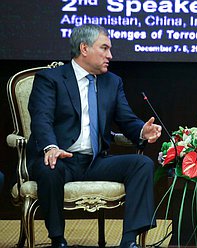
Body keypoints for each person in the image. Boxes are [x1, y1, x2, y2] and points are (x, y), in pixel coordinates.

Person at [27, 24, 162, 248]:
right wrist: (51, 147)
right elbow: (41, 119)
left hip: (94, 161)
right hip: (61, 159)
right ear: (84, 48)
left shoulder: (112, 81)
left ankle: (129, 241)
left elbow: (127, 119)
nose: (110, 55)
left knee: (142, 164)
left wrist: (142, 130)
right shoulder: (50, 79)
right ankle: (58, 240)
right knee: (49, 168)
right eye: (104, 48)